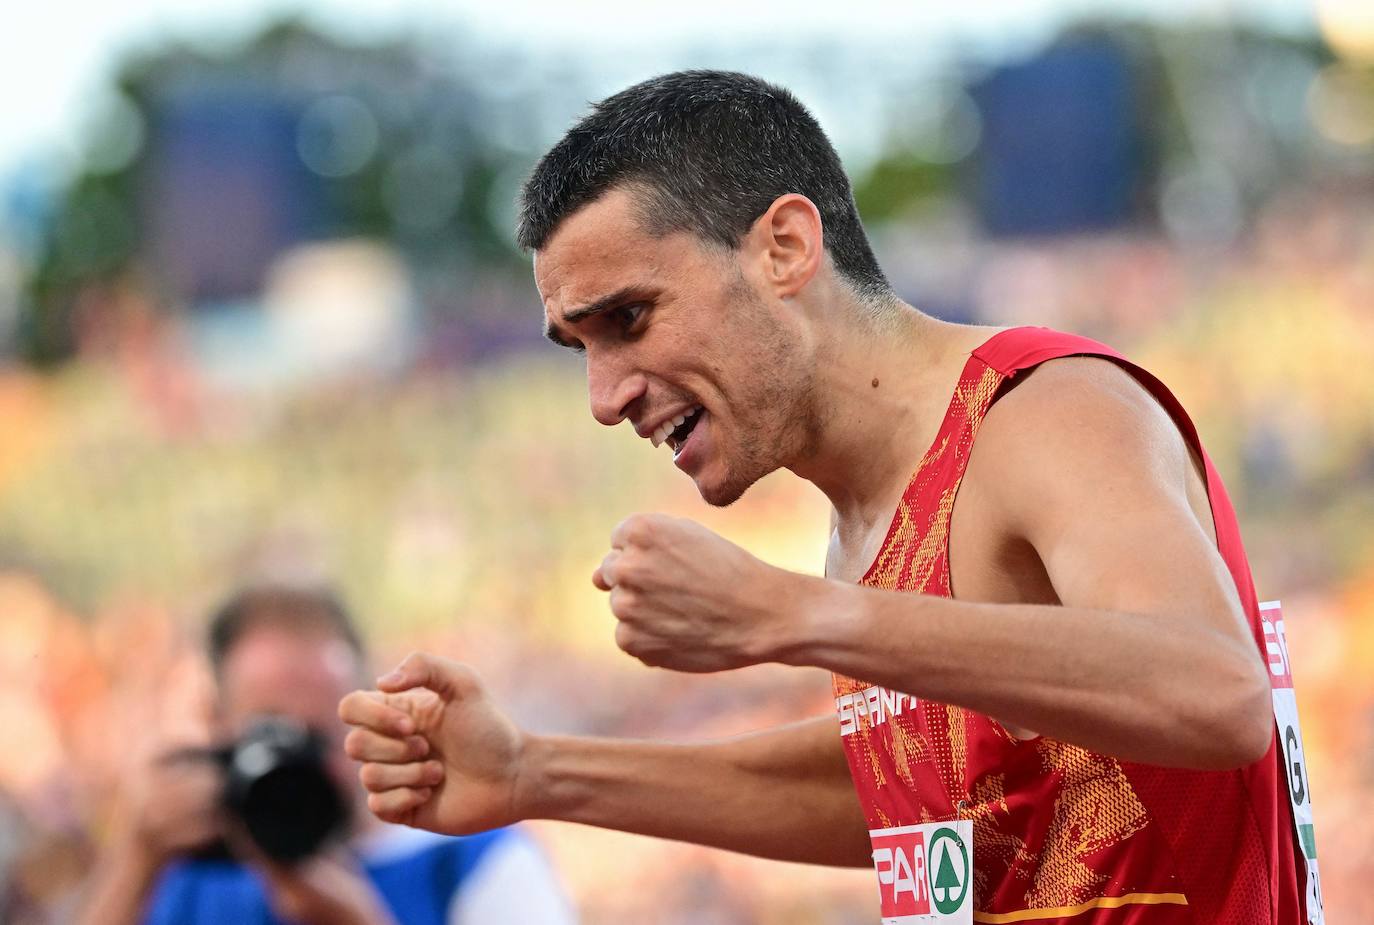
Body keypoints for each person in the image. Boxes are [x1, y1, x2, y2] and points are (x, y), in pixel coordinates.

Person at [340, 70, 1318, 923]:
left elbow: (1216, 688)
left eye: (629, 319)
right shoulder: (856, 531)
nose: (605, 398)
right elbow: (919, 795)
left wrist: (799, 615)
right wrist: (536, 773)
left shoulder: (1042, 407)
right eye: (582, 348)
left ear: (784, 246)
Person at [77, 584, 574, 925]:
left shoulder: (467, 856)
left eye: (320, 735)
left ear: (373, 714)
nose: (296, 763)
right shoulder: (192, 863)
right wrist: (134, 863)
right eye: (268, 734)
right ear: (219, 728)